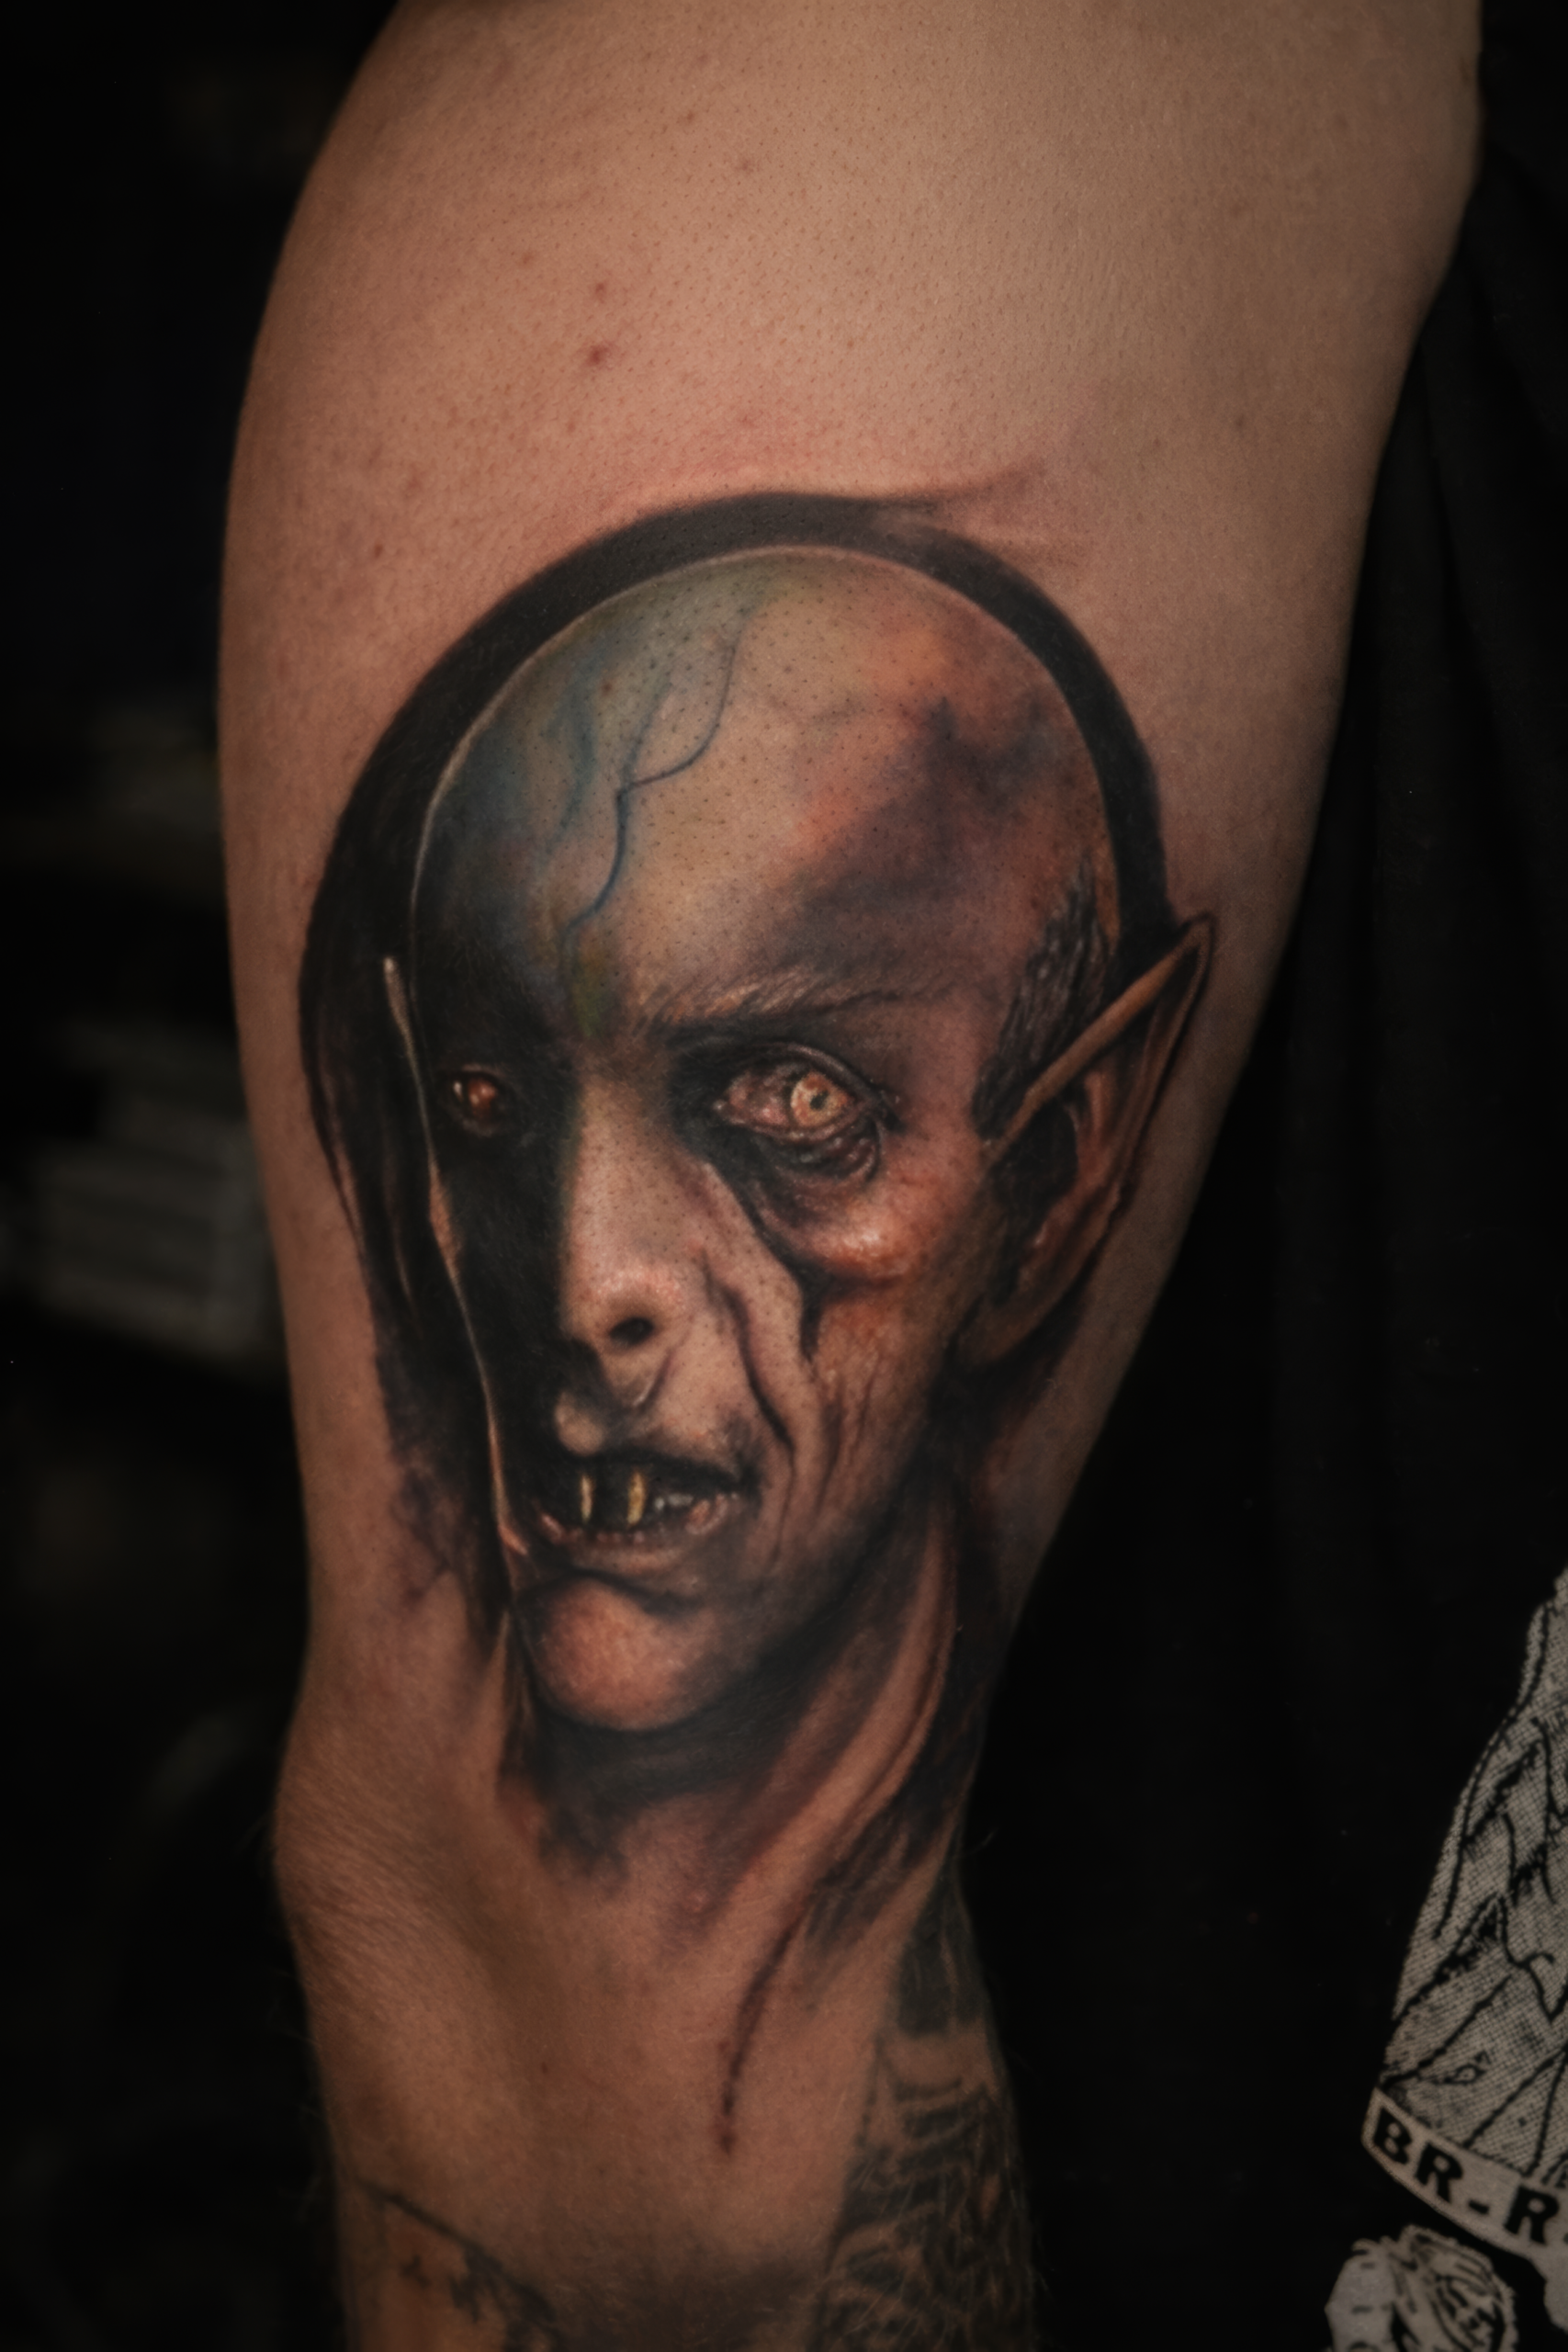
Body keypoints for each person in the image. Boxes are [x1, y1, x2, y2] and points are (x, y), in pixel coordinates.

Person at [220, 0, 1483, 2340]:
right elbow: (557, 2057)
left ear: (1063, 1153)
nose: (588, 1273)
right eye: (489, 1100)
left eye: (786, 1103)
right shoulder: (850, 102)